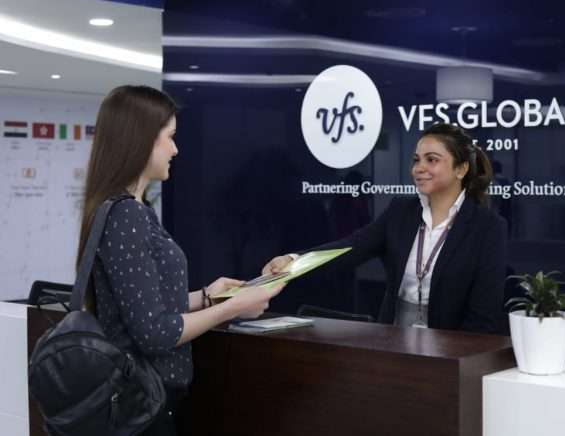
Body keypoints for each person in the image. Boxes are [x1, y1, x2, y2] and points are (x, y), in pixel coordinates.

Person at [78, 85, 283, 436]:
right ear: (141, 139)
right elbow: (155, 333)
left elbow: (142, 308)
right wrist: (232, 308)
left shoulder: (132, 209)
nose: (176, 149)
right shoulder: (127, 215)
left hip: (144, 401)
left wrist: (207, 296)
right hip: (142, 407)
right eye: (170, 137)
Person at [263, 123, 508, 333]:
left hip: (453, 352)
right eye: (416, 160)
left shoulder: (488, 227)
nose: (419, 168)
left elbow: (483, 316)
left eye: (432, 160)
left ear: (461, 169)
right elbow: (350, 248)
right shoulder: (401, 211)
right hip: (394, 345)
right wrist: (293, 262)